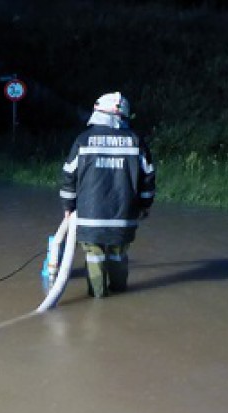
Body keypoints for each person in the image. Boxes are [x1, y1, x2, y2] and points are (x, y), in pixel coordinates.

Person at [59, 91, 156, 297]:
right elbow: (148, 177)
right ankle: (119, 294)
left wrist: (68, 206)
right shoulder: (135, 141)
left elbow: (69, 174)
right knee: (118, 254)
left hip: (89, 215)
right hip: (123, 216)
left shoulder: (83, 140)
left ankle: (98, 301)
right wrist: (145, 206)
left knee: (94, 255)